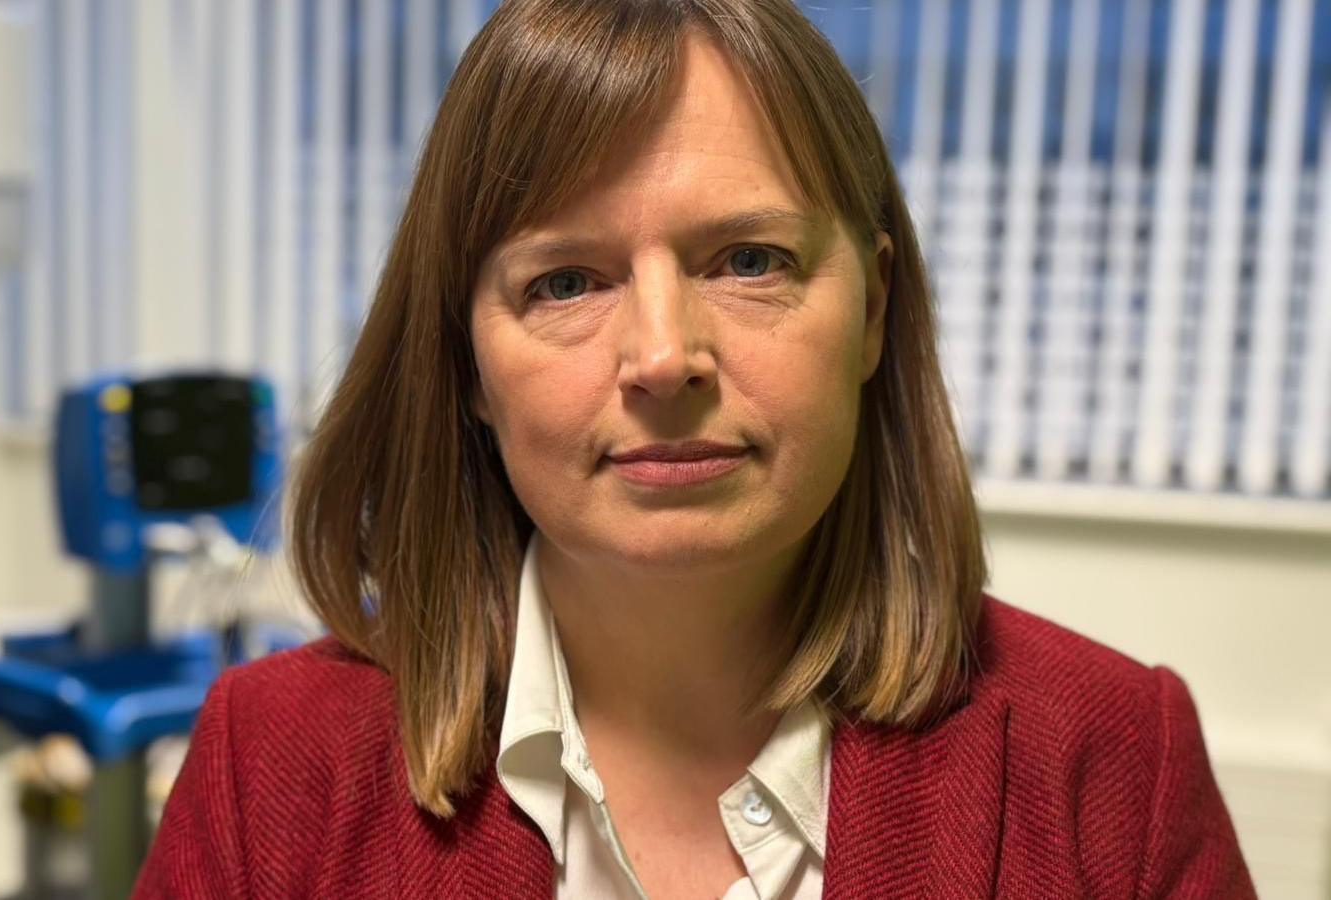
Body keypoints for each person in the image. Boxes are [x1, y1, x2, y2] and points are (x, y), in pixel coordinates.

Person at [134, 0, 1255, 897]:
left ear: (870, 311)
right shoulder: (269, 761)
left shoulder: (1110, 761)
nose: (664, 357)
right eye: (564, 282)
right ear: (466, 366)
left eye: (750, 261)